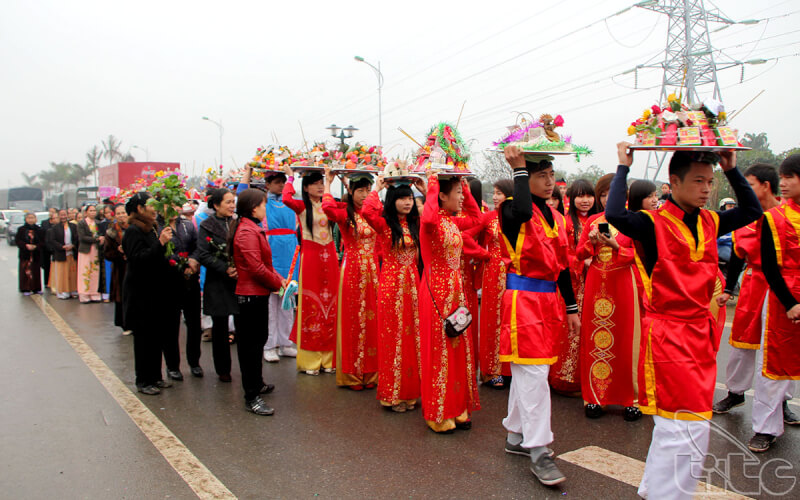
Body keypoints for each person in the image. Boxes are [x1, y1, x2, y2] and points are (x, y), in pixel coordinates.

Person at [606, 143, 760, 499]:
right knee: (683, 425)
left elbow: (752, 208)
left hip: (701, 332)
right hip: (669, 333)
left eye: (710, 181)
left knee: (683, 424)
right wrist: (623, 167)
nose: (706, 189)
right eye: (698, 181)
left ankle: (655, 489)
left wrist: (733, 168)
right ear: (673, 182)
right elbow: (614, 214)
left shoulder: (712, 219)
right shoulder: (650, 223)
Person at [497, 149, 579, 486]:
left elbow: (563, 267)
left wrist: (572, 308)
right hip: (522, 301)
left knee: (530, 371)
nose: (550, 182)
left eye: (551, 174)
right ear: (525, 179)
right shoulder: (509, 210)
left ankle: (516, 436)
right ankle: (539, 450)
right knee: (533, 374)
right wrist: (517, 168)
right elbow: (521, 209)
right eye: (541, 175)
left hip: (548, 303)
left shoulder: (557, 219)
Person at [745, 154, 800, 452]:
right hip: (784, 298)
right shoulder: (774, 218)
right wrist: (790, 302)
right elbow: (769, 265)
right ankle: (765, 428)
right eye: (783, 177)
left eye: (790, 177)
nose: (784, 183)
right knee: (774, 363)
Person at [419, 172, 481, 433]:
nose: (459, 197)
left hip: (456, 293)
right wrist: (432, 187)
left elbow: (478, 218)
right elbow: (429, 216)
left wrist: (465, 189)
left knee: (459, 350)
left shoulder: (454, 223)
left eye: (459, 192)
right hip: (435, 293)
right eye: (455, 192)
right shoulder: (430, 224)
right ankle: (438, 413)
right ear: (442, 196)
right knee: (439, 351)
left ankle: (458, 409)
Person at [576, 178, 642, 421]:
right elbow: (578, 253)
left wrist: (616, 247)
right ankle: (595, 397)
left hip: (623, 283)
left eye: (611, 194)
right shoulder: (594, 222)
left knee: (626, 340)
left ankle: (631, 399)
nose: (606, 199)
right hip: (596, 283)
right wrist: (592, 244)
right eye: (602, 195)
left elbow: (641, 255)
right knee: (595, 340)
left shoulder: (633, 221)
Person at [362, 177, 423, 412]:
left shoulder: (413, 223)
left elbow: (432, 214)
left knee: (412, 339)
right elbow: (367, 210)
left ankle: (410, 392)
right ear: (392, 201)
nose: (408, 202)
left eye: (410, 198)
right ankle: (393, 394)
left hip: (412, 285)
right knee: (393, 340)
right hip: (391, 286)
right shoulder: (385, 225)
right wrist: (377, 187)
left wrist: (423, 189)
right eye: (402, 198)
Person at [322, 167, 379, 390]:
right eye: (361, 191)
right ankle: (353, 374)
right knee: (354, 321)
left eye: (368, 190)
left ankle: (372, 372)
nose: (365, 195)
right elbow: (326, 207)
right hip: (353, 269)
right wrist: (328, 183)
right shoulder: (345, 213)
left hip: (374, 271)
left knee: (373, 321)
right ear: (352, 191)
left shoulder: (373, 211)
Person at [230, 188, 286, 416]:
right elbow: (255, 267)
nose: (266, 208)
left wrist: (278, 279)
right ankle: (251, 395)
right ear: (254, 207)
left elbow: (263, 264)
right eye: (263, 204)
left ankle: (257, 382)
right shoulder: (246, 231)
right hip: (250, 295)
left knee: (258, 340)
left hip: (258, 293)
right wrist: (277, 282)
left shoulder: (253, 228)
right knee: (250, 346)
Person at [282, 164, 339, 375]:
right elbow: (287, 198)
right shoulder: (301, 206)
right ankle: (311, 361)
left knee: (331, 304)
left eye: (321, 183)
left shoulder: (330, 204)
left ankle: (329, 359)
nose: (319, 186)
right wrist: (290, 178)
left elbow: (348, 206)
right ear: (305, 187)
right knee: (311, 303)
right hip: (311, 258)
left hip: (330, 257)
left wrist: (334, 180)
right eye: (315, 184)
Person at [238, 167, 298, 362]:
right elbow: (242, 195)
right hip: (272, 250)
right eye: (276, 181)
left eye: (283, 181)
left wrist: (291, 176)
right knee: (271, 304)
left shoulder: (290, 202)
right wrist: (248, 171)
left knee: (288, 300)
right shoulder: (262, 203)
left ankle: (286, 342)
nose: (281, 185)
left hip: (290, 251)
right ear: (267, 184)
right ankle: (269, 344)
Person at [122, 192, 176, 395]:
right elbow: (138, 260)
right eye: (150, 205)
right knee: (144, 339)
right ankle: (143, 380)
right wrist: (160, 244)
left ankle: (155, 376)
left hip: (155, 292)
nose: (154, 209)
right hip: (141, 293)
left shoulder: (150, 228)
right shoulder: (133, 231)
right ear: (139, 209)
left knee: (156, 336)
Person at [464, 179, 514, 388]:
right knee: (493, 320)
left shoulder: (519, 217)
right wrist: (484, 254)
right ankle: (492, 370)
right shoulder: (488, 217)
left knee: (512, 321)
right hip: (493, 273)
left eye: (499, 193)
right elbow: (465, 236)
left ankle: (512, 369)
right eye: (494, 193)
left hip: (515, 274)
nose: (494, 197)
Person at [550, 179, 596, 394]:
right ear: (571, 198)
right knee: (569, 329)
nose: (585, 200)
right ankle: (564, 376)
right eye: (580, 196)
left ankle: (588, 377)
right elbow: (561, 254)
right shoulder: (566, 222)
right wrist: (582, 262)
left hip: (596, 283)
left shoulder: (599, 220)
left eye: (588, 196)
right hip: (573, 283)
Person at [197, 188, 239, 383]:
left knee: (242, 326)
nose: (232, 205)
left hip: (239, 281)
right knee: (220, 328)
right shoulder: (207, 225)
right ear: (216, 205)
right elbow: (203, 254)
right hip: (218, 281)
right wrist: (225, 268)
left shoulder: (238, 222)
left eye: (233, 202)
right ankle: (223, 369)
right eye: (228, 202)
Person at [160, 208, 203, 380]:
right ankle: (172, 365)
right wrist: (179, 263)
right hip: (169, 282)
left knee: (194, 324)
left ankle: (195, 362)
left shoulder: (187, 225)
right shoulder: (158, 227)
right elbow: (160, 252)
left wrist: (193, 260)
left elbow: (198, 246)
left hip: (190, 279)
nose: (173, 208)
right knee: (171, 325)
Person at [104, 204, 129, 333]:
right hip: (120, 268)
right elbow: (107, 253)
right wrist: (119, 252)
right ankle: (125, 324)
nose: (121, 216)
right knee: (121, 296)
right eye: (118, 213)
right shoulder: (111, 232)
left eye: (123, 213)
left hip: (134, 266)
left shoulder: (134, 228)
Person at [47, 209, 78, 299]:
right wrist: (62, 247)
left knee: (72, 272)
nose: (63, 217)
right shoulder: (55, 228)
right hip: (61, 254)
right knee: (62, 274)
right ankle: (62, 291)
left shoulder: (73, 226)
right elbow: (52, 240)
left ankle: (73, 290)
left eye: (65, 215)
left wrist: (72, 245)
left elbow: (76, 238)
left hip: (71, 253)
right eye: (61, 215)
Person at [76, 205, 104, 303]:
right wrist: (96, 239)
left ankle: (95, 293)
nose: (93, 212)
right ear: (86, 212)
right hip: (85, 250)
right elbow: (82, 237)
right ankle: (84, 294)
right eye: (90, 210)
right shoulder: (81, 223)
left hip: (96, 250)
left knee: (95, 271)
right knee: (84, 271)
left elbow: (102, 234)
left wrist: (101, 239)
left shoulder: (98, 223)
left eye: (94, 210)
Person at [16, 212, 43, 295]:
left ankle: (36, 288)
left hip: (36, 254)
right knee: (25, 271)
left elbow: (43, 241)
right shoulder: (21, 229)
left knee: (35, 272)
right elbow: (18, 241)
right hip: (25, 254)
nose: (31, 220)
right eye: (29, 218)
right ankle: (25, 288)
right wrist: (25, 245)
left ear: (36, 219)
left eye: (32, 218)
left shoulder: (39, 229)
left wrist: (36, 246)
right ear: (25, 219)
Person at [40, 207, 58, 289]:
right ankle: (47, 282)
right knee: (47, 266)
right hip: (46, 247)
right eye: (50, 212)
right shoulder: (44, 223)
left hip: (56, 248)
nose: (51, 213)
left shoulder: (60, 225)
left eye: (53, 212)